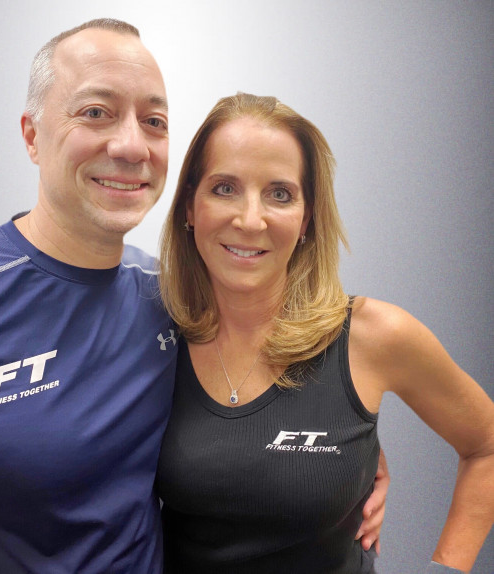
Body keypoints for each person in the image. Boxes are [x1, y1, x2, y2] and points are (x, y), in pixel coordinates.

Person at [0, 20, 387, 574]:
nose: (130, 146)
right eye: (96, 112)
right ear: (31, 135)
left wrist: (358, 458)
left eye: (154, 122)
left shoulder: (173, 300)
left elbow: (270, 401)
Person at [156, 93, 494, 573]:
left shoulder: (372, 336)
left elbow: (486, 446)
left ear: (307, 218)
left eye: (280, 194)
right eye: (224, 188)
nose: (250, 219)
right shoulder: (150, 334)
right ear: (190, 206)